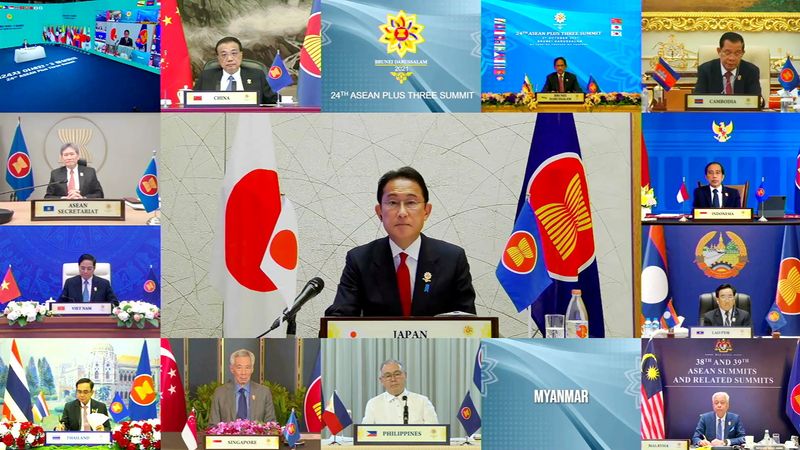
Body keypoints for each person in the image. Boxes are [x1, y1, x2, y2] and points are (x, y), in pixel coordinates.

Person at [324, 167, 476, 317]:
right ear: (379, 212)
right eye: (392, 202)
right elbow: (340, 318)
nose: (402, 212)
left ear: (426, 211)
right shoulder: (359, 260)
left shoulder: (452, 258)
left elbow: (469, 323)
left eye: (411, 202)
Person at [194, 36, 278, 104]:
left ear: (241, 55)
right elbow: (192, 102)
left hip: (249, 121)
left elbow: (274, 102)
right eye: (224, 55)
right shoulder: (206, 76)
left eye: (234, 53)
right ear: (218, 58)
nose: (230, 59)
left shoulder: (256, 75)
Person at [210, 349, 276, 424]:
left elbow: (271, 426)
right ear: (232, 369)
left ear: (252, 369)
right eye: (239, 367)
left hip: (256, 435)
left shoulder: (264, 392)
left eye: (247, 367)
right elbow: (213, 426)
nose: (243, 373)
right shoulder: (220, 393)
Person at [362, 360, 438, 424]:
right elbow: (365, 434)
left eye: (397, 374)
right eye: (388, 376)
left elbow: (434, 431)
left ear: (405, 375)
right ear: (381, 380)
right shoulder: (373, 404)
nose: (393, 379)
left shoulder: (422, 401)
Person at [694, 32, 761, 97]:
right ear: (719, 51)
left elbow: (757, 100)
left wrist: (760, 101)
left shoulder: (751, 71)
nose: (732, 58)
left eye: (737, 53)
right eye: (727, 52)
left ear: (742, 53)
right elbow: (698, 99)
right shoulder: (705, 70)